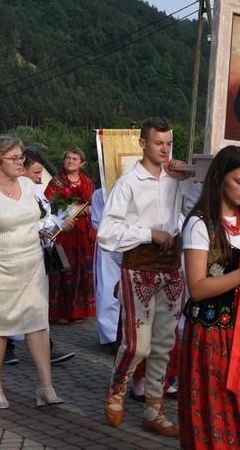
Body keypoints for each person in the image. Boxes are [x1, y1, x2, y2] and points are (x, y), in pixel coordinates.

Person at [97, 117, 191, 436]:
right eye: (158, 143)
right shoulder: (129, 182)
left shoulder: (177, 179)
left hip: (171, 268)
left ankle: (154, 409)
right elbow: (107, 233)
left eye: (168, 143)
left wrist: (187, 180)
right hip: (139, 266)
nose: (165, 150)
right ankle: (117, 389)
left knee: (165, 342)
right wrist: (148, 233)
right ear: (142, 144)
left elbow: (196, 211)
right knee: (137, 344)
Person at [179, 145, 240, 449]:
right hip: (211, 332)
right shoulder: (199, 224)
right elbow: (197, 287)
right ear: (219, 178)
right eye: (239, 181)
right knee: (213, 401)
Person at [0, 136, 62, 409]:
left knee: (38, 324)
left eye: (22, 158)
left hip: (31, 268)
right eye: (15, 158)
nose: (21, 162)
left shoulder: (28, 185)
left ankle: (45, 387)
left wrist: (57, 227)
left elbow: (37, 221)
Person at [4, 150, 75, 366]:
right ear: (22, 169)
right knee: (13, 301)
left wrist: (61, 222)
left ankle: (46, 347)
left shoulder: (37, 191)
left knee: (37, 301)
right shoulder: (10, 192)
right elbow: (20, 220)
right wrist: (49, 224)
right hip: (18, 252)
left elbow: (46, 215)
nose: (39, 177)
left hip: (39, 251)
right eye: (35, 172)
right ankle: (6, 346)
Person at [45, 147, 96, 323]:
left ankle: (78, 311)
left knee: (81, 270)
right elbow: (48, 206)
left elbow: (95, 204)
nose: (70, 161)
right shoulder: (55, 182)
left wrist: (87, 209)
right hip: (63, 231)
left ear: (81, 163)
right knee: (63, 270)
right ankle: (61, 313)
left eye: (74, 158)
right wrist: (68, 211)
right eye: (67, 158)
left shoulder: (87, 182)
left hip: (82, 232)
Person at [91, 187, 121, 349]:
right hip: (109, 244)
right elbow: (97, 222)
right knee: (108, 288)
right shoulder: (100, 194)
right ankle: (111, 334)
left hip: (136, 242)